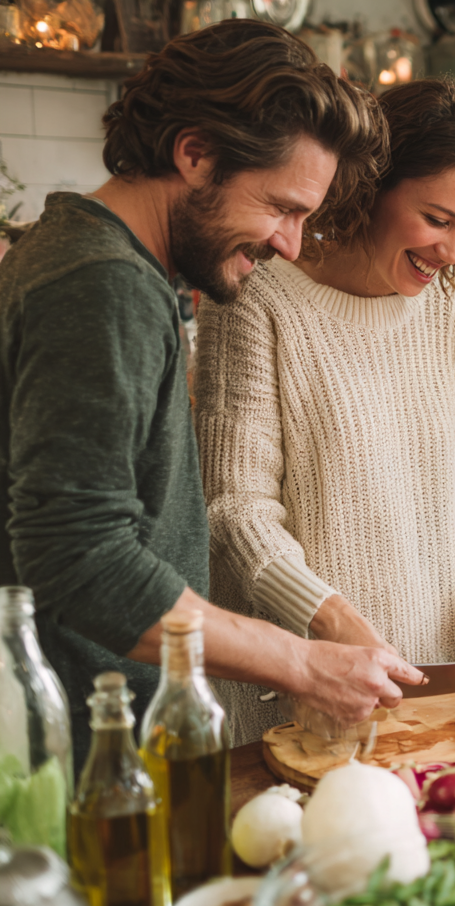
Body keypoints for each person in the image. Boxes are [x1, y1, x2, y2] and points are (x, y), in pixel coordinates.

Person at [0, 20, 425, 771]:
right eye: (281, 207)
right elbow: (80, 556)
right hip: (78, 759)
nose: (291, 244)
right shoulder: (104, 285)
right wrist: (302, 662)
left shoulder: (88, 258)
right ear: (194, 153)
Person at [194, 78, 455, 745]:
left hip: (429, 681)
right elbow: (234, 509)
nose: (451, 251)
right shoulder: (257, 298)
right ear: (370, 187)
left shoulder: (446, 307)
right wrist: (329, 618)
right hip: (300, 684)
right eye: (437, 219)